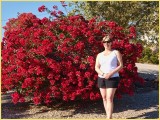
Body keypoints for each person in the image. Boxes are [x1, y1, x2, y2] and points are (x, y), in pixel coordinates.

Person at [95, 35, 123, 119]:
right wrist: (103, 74)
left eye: (108, 41)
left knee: (109, 98)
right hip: (101, 77)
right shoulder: (99, 55)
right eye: (104, 42)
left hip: (113, 77)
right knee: (104, 98)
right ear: (102, 43)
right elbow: (96, 67)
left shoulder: (115, 52)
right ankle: (108, 115)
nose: (106, 43)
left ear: (111, 43)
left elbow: (121, 65)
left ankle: (109, 118)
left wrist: (110, 74)